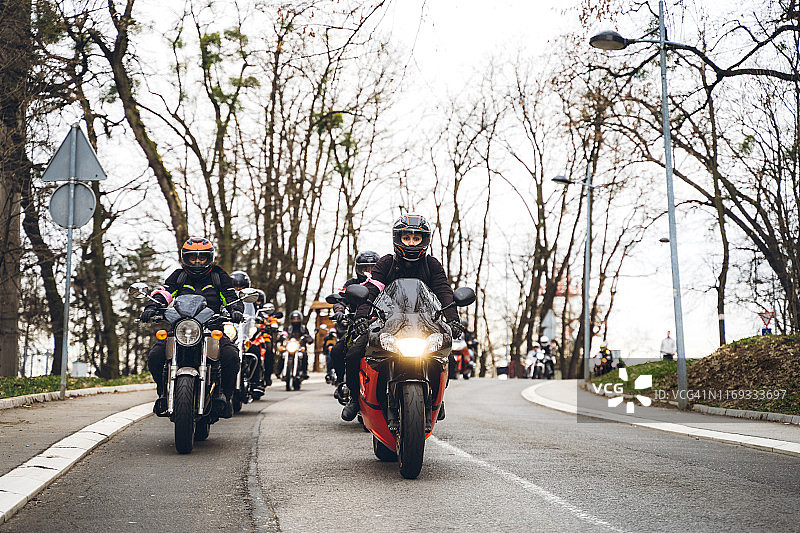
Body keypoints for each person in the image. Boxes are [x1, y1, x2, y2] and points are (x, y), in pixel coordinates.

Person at [341, 214, 462, 421]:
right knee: (353, 353)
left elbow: (444, 292)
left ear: (425, 240)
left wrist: (452, 320)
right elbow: (371, 289)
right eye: (407, 238)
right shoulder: (386, 263)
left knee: (447, 356)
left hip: (425, 325)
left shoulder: (432, 265)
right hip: (389, 324)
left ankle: (437, 400)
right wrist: (361, 317)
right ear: (398, 238)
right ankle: (354, 397)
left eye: (417, 238)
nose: (412, 243)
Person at [141, 237, 243, 418]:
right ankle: (163, 394)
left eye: (201, 258)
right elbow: (164, 292)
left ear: (209, 258)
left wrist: (235, 309)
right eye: (192, 258)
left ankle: (225, 396)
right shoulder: (178, 276)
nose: (197, 262)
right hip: (181, 327)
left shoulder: (218, 277)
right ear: (185, 258)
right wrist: (152, 306)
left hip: (212, 328)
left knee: (231, 355)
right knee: (156, 355)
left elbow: (230, 295)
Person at [283, 310, 311, 378]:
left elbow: (308, 336)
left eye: (297, 318)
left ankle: (304, 372)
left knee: (304, 355)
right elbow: (284, 334)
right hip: (290, 346)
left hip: (300, 347)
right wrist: (282, 337)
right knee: (282, 354)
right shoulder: (288, 328)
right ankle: (279, 371)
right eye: (294, 319)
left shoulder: (303, 328)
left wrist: (307, 338)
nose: (295, 320)